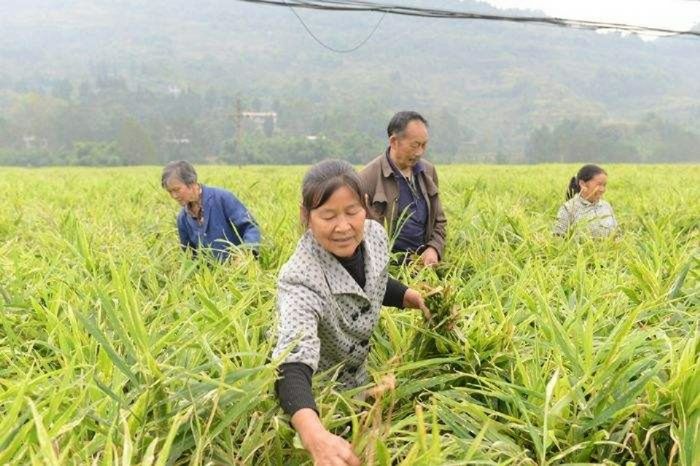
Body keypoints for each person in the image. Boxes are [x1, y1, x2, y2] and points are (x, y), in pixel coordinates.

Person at [272, 160, 430, 466]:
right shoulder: (300, 278)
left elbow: (375, 281)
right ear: (306, 216)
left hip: (358, 378)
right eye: (328, 216)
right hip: (314, 398)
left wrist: (412, 297)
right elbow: (292, 362)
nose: (343, 227)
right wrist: (315, 436)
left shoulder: (374, 235)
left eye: (352, 212)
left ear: (366, 206)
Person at [359, 111, 447, 266]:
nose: (420, 152)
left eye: (424, 145)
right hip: (387, 269)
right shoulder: (367, 178)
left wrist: (434, 248)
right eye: (415, 145)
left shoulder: (428, 172)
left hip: (423, 266)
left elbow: (439, 221)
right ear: (394, 142)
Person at [161, 160, 261, 260]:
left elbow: (250, 227)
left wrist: (246, 253)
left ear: (191, 183)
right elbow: (189, 254)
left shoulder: (222, 198)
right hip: (212, 274)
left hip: (238, 269)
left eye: (177, 190)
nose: (174, 196)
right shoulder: (182, 218)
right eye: (170, 191)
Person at [553, 164, 618, 237]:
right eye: (599, 184)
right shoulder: (569, 208)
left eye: (604, 185)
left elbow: (617, 234)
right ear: (582, 184)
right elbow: (558, 238)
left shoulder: (606, 206)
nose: (602, 189)